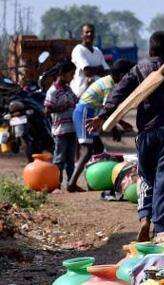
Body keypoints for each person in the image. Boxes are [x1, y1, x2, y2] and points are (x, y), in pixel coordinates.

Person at [87, 31, 164, 241]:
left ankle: (144, 217)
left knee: (145, 177)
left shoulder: (139, 69)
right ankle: (160, 228)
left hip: (145, 134)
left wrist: (102, 115)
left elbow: (119, 93)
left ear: (151, 48)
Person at [68, 59, 135, 192]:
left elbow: (107, 111)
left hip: (91, 113)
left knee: (98, 148)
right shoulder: (109, 85)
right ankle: (71, 183)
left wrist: (117, 124)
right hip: (85, 113)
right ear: (122, 75)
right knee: (87, 150)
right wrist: (117, 126)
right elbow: (107, 109)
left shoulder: (108, 81)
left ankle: (93, 182)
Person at [44, 60, 78, 190]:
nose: (73, 77)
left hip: (71, 128)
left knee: (71, 159)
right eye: (71, 74)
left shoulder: (68, 89)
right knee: (59, 159)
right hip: (60, 130)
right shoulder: (53, 91)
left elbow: (76, 101)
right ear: (62, 74)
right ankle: (56, 184)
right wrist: (63, 107)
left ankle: (71, 183)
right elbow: (47, 109)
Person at [70, 23, 109, 97]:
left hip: (96, 94)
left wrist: (93, 69)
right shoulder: (78, 50)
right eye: (87, 32)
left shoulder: (97, 51)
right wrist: (99, 68)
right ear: (81, 35)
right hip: (81, 93)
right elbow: (88, 72)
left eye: (92, 32)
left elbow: (107, 72)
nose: (90, 34)